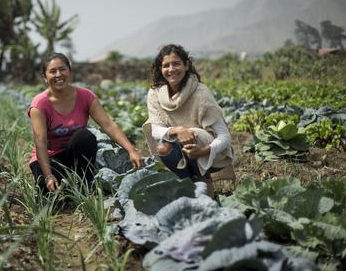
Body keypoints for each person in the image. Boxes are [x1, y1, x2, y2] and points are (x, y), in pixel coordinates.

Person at [28, 53, 144, 194]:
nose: (58, 74)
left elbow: (108, 124)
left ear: (70, 72)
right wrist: (48, 176)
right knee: (49, 192)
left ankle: (85, 180)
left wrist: (131, 150)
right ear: (45, 78)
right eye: (52, 71)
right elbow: (40, 142)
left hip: (74, 155)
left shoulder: (85, 96)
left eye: (62, 69)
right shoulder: (40, 104)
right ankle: (68, 184)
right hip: (50, 157)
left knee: (84, 136)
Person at [145, 44, 234, 197]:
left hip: (207, 150)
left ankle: (203, 179)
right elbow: (155, 129)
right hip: (178, 148)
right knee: (163, 148)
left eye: (176, 63)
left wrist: (203, 152)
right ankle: (187, 181)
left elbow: (224, 137)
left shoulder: (201, 92)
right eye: (166, 65)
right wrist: (177, 130)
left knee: (193, 133)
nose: (171, 69)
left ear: (186, 65)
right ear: (160, 69)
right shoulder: (155, 93)